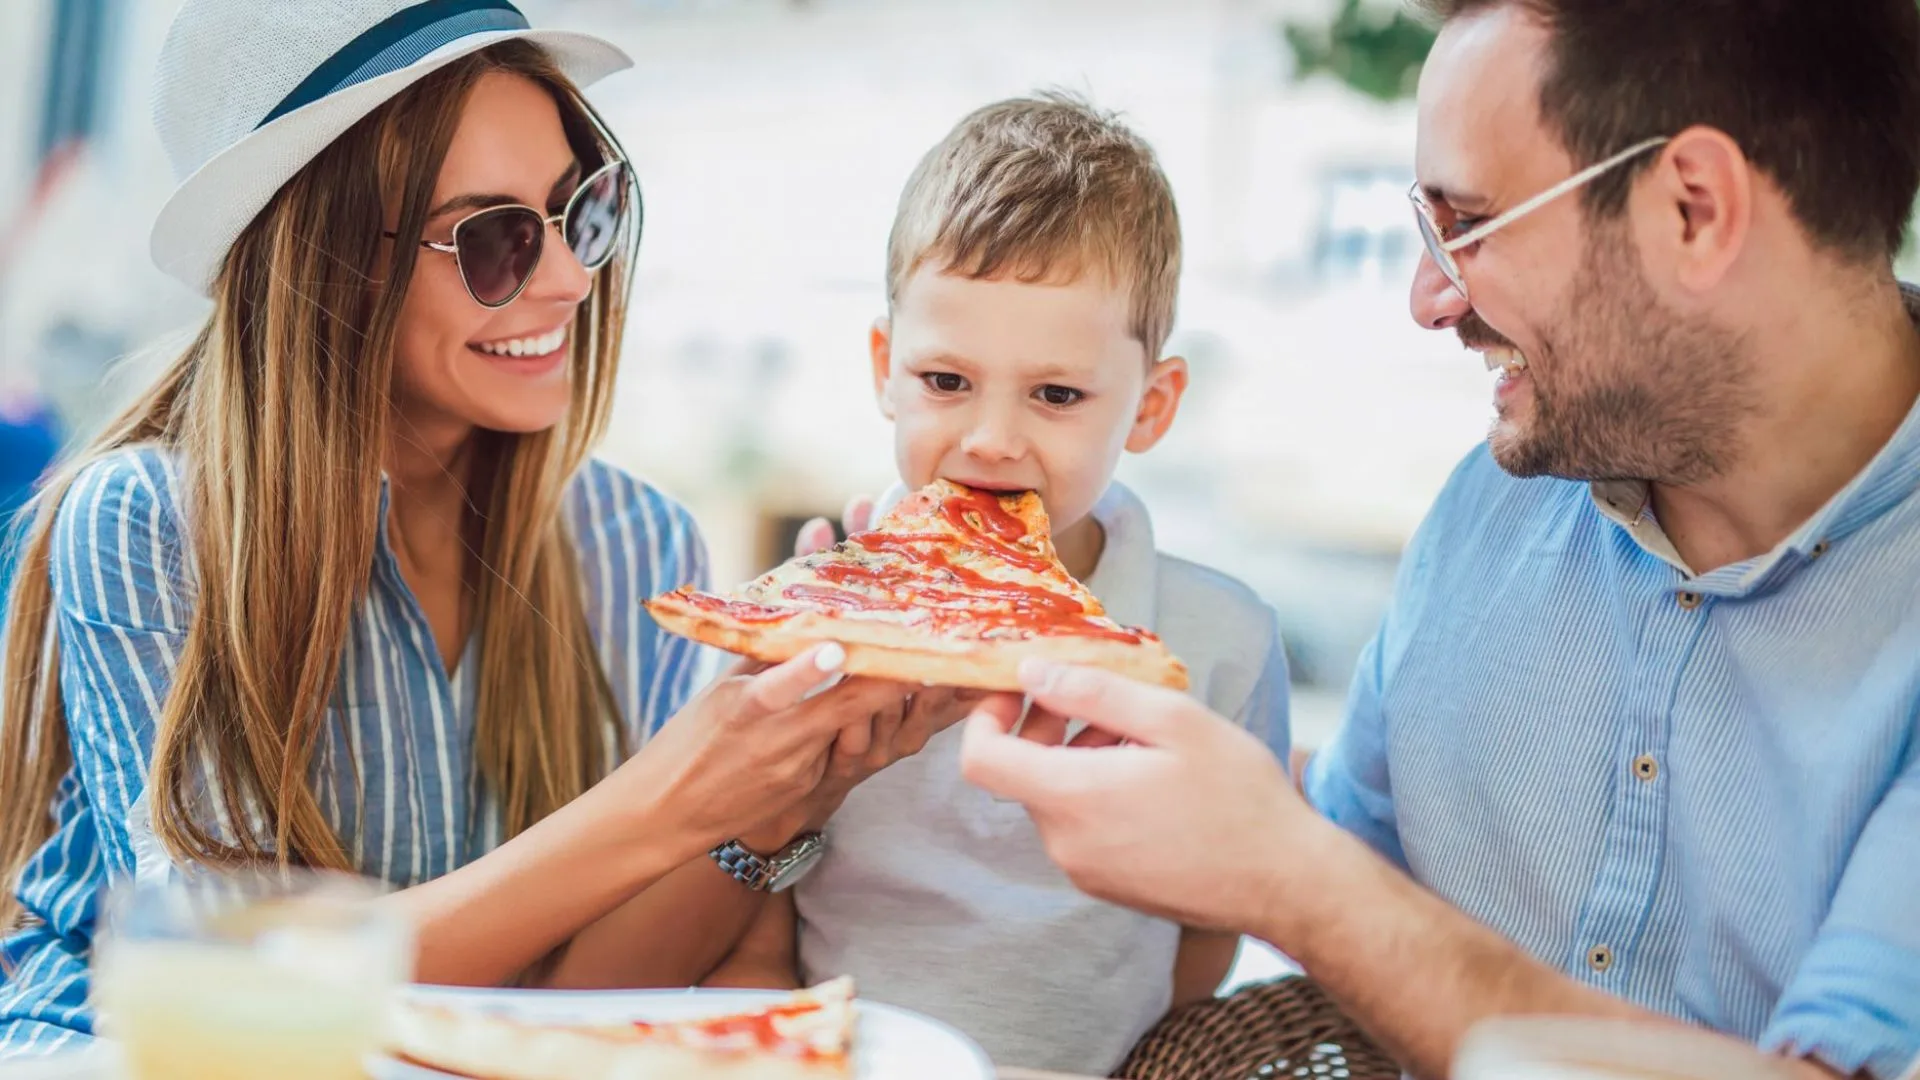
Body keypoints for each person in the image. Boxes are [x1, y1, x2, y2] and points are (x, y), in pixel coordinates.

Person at [959, 2, 1920, 1079]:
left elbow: (1317, 879)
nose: (1428, 298)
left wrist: (1290, 875)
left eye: (1469, 224)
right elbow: (1348, 849)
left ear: (1694, 209)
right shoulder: (1495, 505)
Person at [0, 0, 947, 1057]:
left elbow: (568, 1000)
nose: (571, 278)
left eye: (583, 209)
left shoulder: (637, 542)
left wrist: (789, 788)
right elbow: (244, 991)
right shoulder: (146, 524)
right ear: (323, 262)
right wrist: (672, 791)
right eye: (496, 239)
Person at [701, 93, 1292, 1075]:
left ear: (1151, 406)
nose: (990, 440)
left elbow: (1210, 923)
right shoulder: (809, 613)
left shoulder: (1221, 642)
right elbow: (747, 909)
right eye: (946, 382)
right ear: (885, 368)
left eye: (1056, 394)